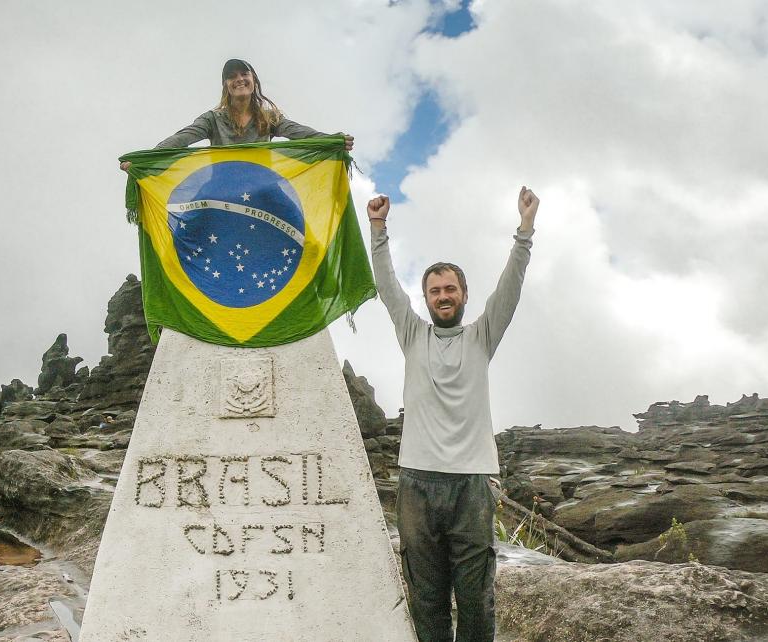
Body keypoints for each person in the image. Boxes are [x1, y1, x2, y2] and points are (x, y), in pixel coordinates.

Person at [367, 188, 540, 642]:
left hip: (471, 485)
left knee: (475, 598)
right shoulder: (412, 332)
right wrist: (378, 229)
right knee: (426, 598)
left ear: (464, 294)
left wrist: (524, 230)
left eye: (450, 289)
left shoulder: (481, 335)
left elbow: (511, 289)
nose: (443, 297)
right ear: (425, 298)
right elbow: (387, 287)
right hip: (416, 484)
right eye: (435, 291)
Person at [120, 58, 352, 171]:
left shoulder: (269, 117)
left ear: (253, 81)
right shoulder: (212, 118)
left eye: (244, 73)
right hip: (220, 186)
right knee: (185, 230)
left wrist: (332, 140)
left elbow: (300, 133)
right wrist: (145, 159)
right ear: (226, 85)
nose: (239, 78)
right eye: (232, 76)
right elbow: (181, 139)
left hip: (262, 184)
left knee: (298, 226)